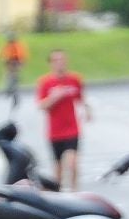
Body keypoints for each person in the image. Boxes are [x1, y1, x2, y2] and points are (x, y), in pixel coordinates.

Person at [37, 50, 90, 191]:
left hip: (72, 128)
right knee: (58, 169)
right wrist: (54, 97)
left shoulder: (74, 79)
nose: (60, 63)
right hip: (55, 132)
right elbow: (41, 106)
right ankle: (58, 195)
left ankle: (74, 192)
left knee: (72, 163)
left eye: (62, 59)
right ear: (51, 63)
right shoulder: (46, 82)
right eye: (56, 60)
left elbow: (81, 98)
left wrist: (88, 110)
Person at [0, 33, 28, 108]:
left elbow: (20, 55)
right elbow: (1, 54)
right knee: (9, 79)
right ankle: (10, 92)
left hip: (14, 63)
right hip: (10, 64)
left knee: (13, 80)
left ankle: (14, 96)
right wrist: (5, 60)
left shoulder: (17, 46)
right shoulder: (8, 46)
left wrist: (19, 63)